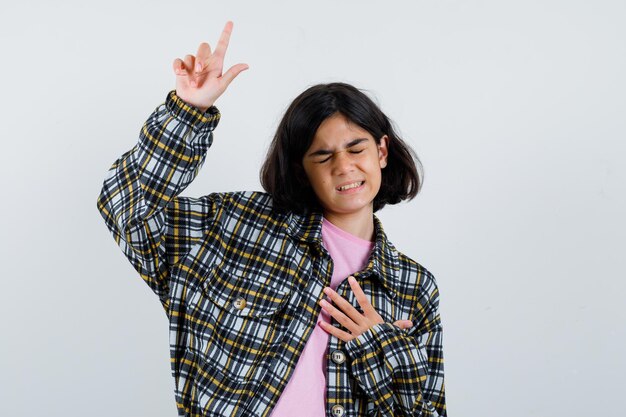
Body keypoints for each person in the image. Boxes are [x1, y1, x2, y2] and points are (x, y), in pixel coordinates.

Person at [97, 21, 446, 417]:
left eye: (356, 148)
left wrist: (378, 346)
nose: (344, 167)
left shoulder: (413, 287)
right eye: (323, 155)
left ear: (382, 152)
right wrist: (188, 113)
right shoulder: (235, 228)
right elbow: (127, 208)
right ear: (301, 169)